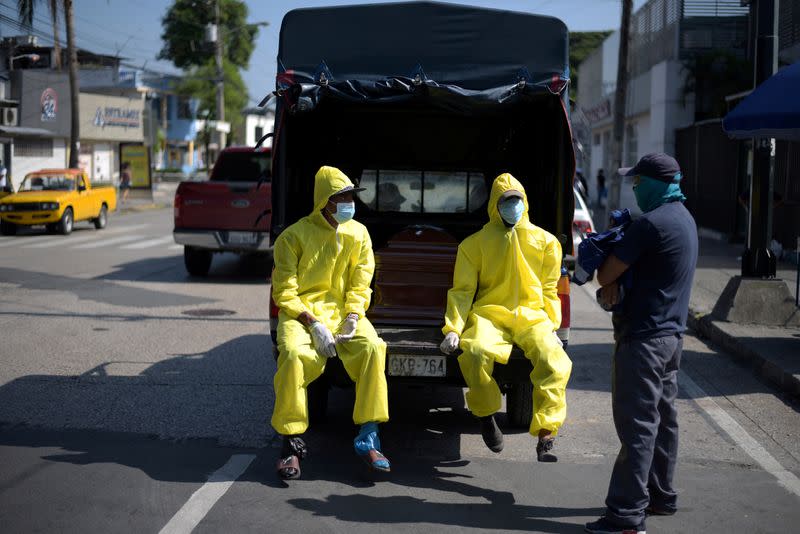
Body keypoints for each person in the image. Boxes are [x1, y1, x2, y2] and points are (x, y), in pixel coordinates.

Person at [585, 153, 698, 534]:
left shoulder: (649, 225)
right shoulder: (684, 219)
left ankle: (626, 515)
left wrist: (614, 275)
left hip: (643, 342)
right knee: (664, 421)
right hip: (671, 339)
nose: (634, 187)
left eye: (638, 181)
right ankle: (661, 495)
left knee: (638, 427)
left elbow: (605, 273)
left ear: (654, 183)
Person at [439, 173, 572, 462]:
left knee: (554, 360)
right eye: (506, 202)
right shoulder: (473, 245)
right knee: (473, 352)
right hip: (490, 316)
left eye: (517, 201)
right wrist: (453, 328)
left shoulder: (546, 242)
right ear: (494, 206)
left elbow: (550, 290)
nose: (513, 207)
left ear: (525, 203)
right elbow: (462, 292)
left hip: (533, 316)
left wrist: (552, 326)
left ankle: (546, 433)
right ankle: (486, 415)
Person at [271, 165, 390, 480]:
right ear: (325, 200)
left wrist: (352, 316)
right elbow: (284, 293)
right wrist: (312, 323)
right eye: (343, 196)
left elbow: (361, 283)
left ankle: (369, 437)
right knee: (294, 357)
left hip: (342, 314)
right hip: (300, 315)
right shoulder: (292, 237)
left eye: (351, 195)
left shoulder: (358, 233)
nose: (350, 201)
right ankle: (290, 445)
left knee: (373, 348)